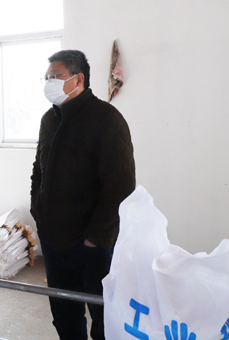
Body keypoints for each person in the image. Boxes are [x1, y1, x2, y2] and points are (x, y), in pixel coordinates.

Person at [31, 50, 135, 340]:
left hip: (91, 245)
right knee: (64, 315)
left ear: (78, 79)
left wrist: (95, 238)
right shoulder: (49, 119)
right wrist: (38, 212)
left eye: (56, 76)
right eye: (46, 77)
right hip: (53, 240)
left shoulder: (106, 119)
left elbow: (120, 186)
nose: (49, 83)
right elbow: (38, 170)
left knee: (103, 317)